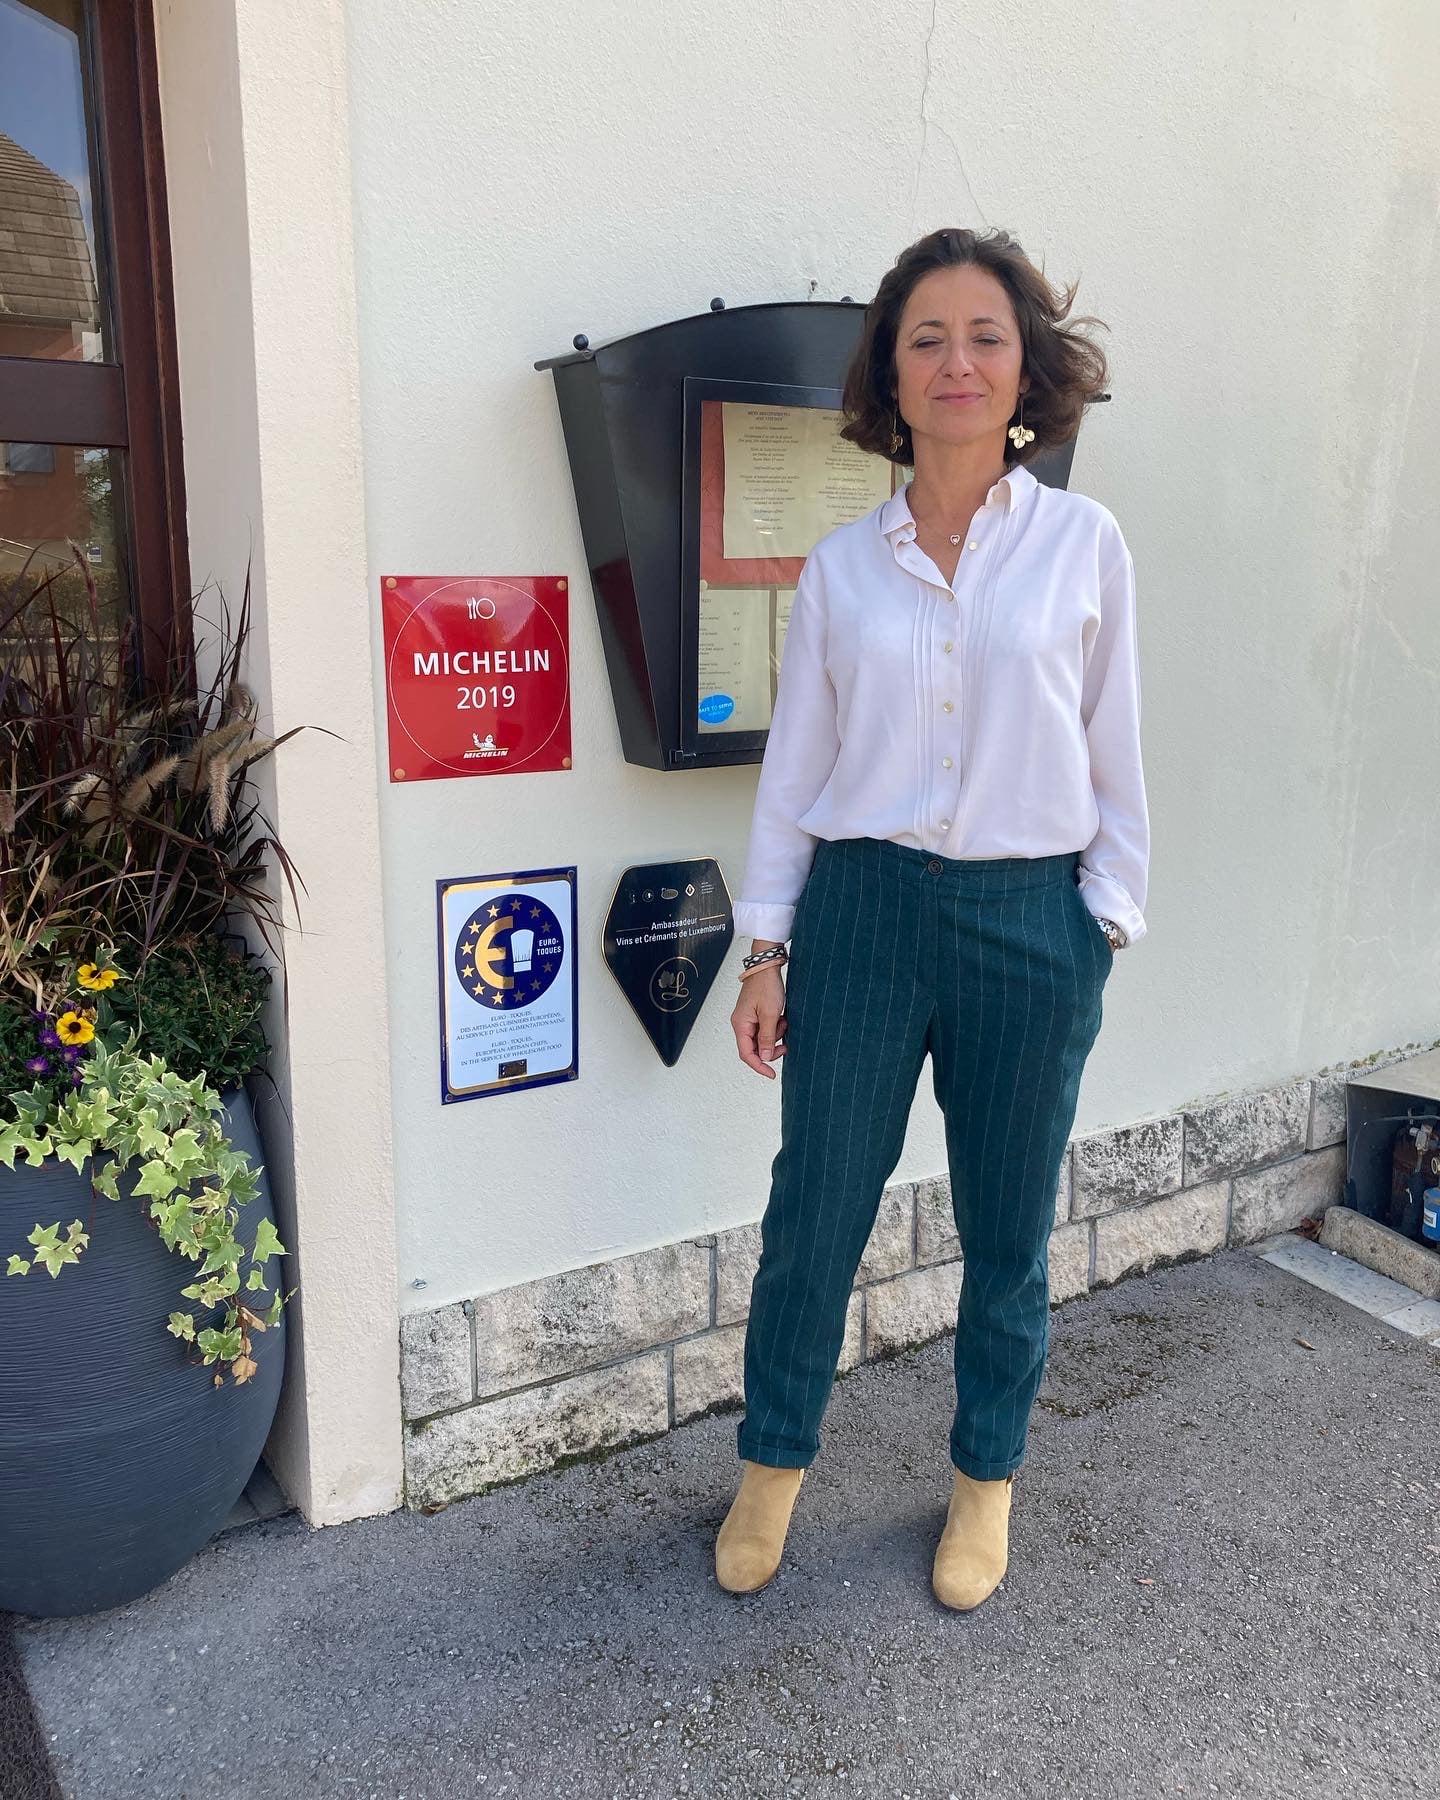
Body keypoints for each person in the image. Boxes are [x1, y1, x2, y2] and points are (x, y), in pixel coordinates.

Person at [717, 225, 1150, 1609]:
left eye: (984, 336)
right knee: (816, 1210)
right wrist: (767, 948)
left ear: (1026, 367)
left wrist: (1100, 922)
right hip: (862, 913)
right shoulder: (843, 569)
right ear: (890, 377)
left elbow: (1115, 747)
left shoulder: (1084, 545)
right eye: (926, 338)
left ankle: (983, 1483)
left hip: (1030, 922)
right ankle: (772, 1465)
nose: (956, 361)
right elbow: (796, 775)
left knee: (1008, 1230)